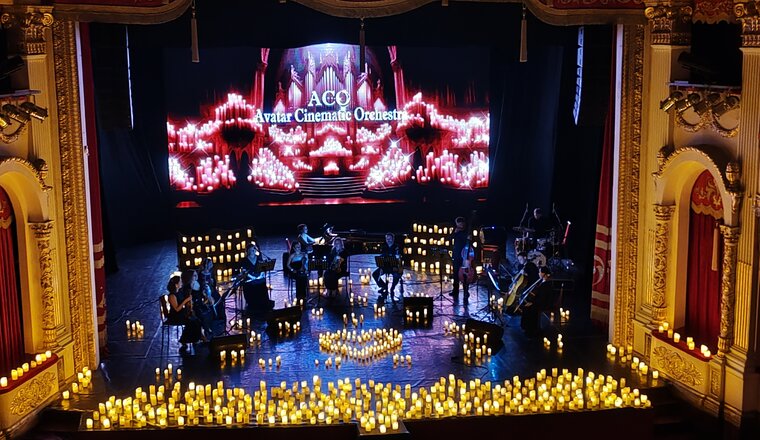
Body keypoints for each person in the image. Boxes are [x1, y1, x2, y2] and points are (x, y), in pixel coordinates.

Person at [167, 271, 204, 352]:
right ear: (176, 285)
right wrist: (186, 300)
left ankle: (196, 339)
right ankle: (185, 340)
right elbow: (177, 309)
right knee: (191, 321)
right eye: (180, 282)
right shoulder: (172, 296)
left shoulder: (179, 292)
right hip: (175, 316)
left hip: (181, 313)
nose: (181, 283)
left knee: (197, 320)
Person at [520, 266, 553, 337]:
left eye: (540, 272)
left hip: (544, 302)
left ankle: (531, 329)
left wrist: (532, 303)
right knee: (526, 306)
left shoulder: (547, 283)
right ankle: (527, 327)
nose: (538, 273)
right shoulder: (542, 281)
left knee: (529, 308)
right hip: (539, 300)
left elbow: (543, 297)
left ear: (544, 273)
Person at [240, 245, 273, 311]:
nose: (253, 251)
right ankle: (253, 305)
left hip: (259, 277)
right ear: (248, 251)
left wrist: (261, 275)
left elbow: (263, 268)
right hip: (250, 278)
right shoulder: (244, 260)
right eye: (251, 249)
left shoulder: (259, 258)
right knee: (251, 284)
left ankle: (263, 304)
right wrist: (253, 277)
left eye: (254, 249)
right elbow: (244, 272)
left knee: (262, 282)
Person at [372, 233, 401, 301]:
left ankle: (392, 288)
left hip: (394, 266)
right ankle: (383, 286)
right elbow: (382, 256)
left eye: (390, 239)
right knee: (375, 274)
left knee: (396, 275)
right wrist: (381, 267)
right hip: (385, 266)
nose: (388, 240)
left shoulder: (397, 247)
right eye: (387, 239)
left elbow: (398, 257)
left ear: (393, 239)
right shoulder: (384, 247)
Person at [450, 217, 469, 300]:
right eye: (459, 223)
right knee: (455, 274)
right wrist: (455, 232)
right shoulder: (456, 231)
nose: (461, 224)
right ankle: (455, 291)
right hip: (456, 255)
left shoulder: (467, 232)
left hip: (465, 256)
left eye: (462, 223)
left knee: (465, 275)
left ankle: (466, 292)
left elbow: (467, 240)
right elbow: (450, 238)